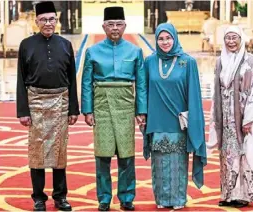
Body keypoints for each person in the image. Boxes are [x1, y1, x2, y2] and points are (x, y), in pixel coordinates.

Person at [81, 6, 147, 211]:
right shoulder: (93, 51)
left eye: (119, 24)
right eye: (111, 24)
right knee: (102, 154)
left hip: (126, 104)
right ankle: (104, 198)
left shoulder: (135, 51)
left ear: (125, 25)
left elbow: (142, 84)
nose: (115, 28)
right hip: (101, 104)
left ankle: (127, 197)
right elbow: (86, 82)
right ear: (104, 26)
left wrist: (141, 110)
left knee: (126, 154)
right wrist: (88, 110)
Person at [16, 1, 79, 211]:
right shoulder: (26, 44)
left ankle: (60, 196)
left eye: (52, 19)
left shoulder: (65, 44)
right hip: (35, 102)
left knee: (60, 151)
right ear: (36, 21)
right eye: (43, 19)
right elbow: (21, 79)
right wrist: (23, 111)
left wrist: (73, 109)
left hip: (61, 101)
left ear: (57, 20)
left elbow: (72, 79)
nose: (48, 23)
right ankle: (38, 197)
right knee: (37, 150)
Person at [143, 23, 207, 209]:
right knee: (159, 163)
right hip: (156, 121)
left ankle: (178, 199)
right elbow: (144, 91)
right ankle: (162, 199)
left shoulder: (188, 62)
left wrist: (195, 122)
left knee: (178, 164)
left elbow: (194, 95)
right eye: (161, 39)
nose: (165, 42)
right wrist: (142, 115)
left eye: (168, 38)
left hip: (179, 123)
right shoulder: (150, 61)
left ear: (175, 38)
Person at [207, 26, 253, 208]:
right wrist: (215, 117)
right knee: (227, 155)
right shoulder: (220, 61)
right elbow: (216, 90)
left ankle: (243, 195)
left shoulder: (250, 61)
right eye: (228, 38)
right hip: (225, 117)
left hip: (243, 117)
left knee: (244, 153)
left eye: (234, 37)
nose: (231, 41)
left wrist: (248, 118)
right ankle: (228, 194)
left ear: (241, 39)